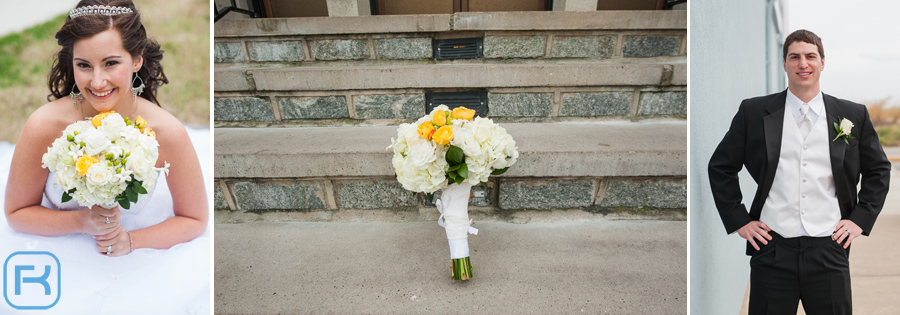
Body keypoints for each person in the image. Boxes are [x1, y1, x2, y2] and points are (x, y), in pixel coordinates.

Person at [2, 0, 209, 313]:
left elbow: (195, 218)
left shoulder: (165, 132)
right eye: (84, 65)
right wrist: (83, 221)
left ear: (137, 60)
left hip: (134, 262)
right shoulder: (45, 126)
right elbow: (17, 211)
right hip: (54, 252)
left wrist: (131, 241)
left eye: (111, 63)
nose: (96, 82)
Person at [708, 29, 891, 314]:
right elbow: (721, 166)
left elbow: (878, 169)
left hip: (829, 248)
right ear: (784, 64)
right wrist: (739, 219)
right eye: (794, 57)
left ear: (822, 62)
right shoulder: (754, 111)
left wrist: (860, 219)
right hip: (772, 248)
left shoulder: (852, 114)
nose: (802, 64)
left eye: (810, 56)